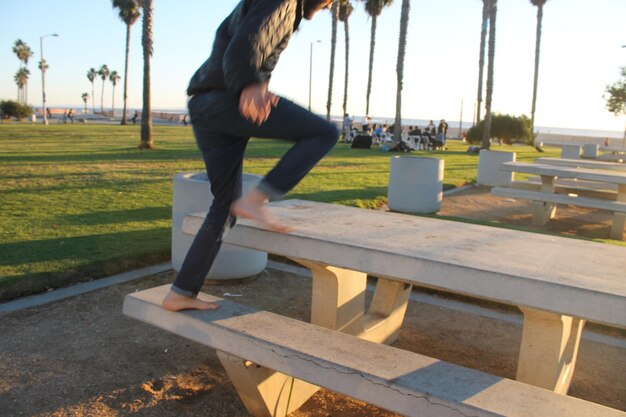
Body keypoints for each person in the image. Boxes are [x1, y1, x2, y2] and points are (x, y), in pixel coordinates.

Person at [162, 0, 337, 311]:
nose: (331, 4)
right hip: (228, 98)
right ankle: (256, 201)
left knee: (225, 206)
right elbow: (246, 43)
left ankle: (182, 292)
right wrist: (250, 85)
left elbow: (243, 39)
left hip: (204, 105)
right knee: (323, 133)